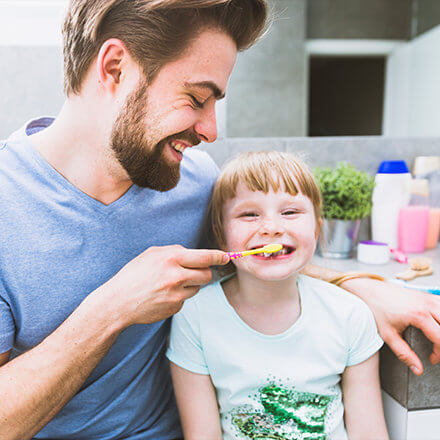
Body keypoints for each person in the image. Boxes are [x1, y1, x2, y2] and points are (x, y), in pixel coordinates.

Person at [0, 0, 438, 439]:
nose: (211, 131)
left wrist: (361, 289)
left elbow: (255, 254)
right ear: (115, 67)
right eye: (196, 98)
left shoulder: (192, 180)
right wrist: (112, 308)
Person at [167, 151, 389, 439]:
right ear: (221, 237)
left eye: (290, 212)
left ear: (316, 228)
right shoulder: (194, 316)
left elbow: (369, 433)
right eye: (249, 214)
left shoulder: (350, 314)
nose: (271, 228)